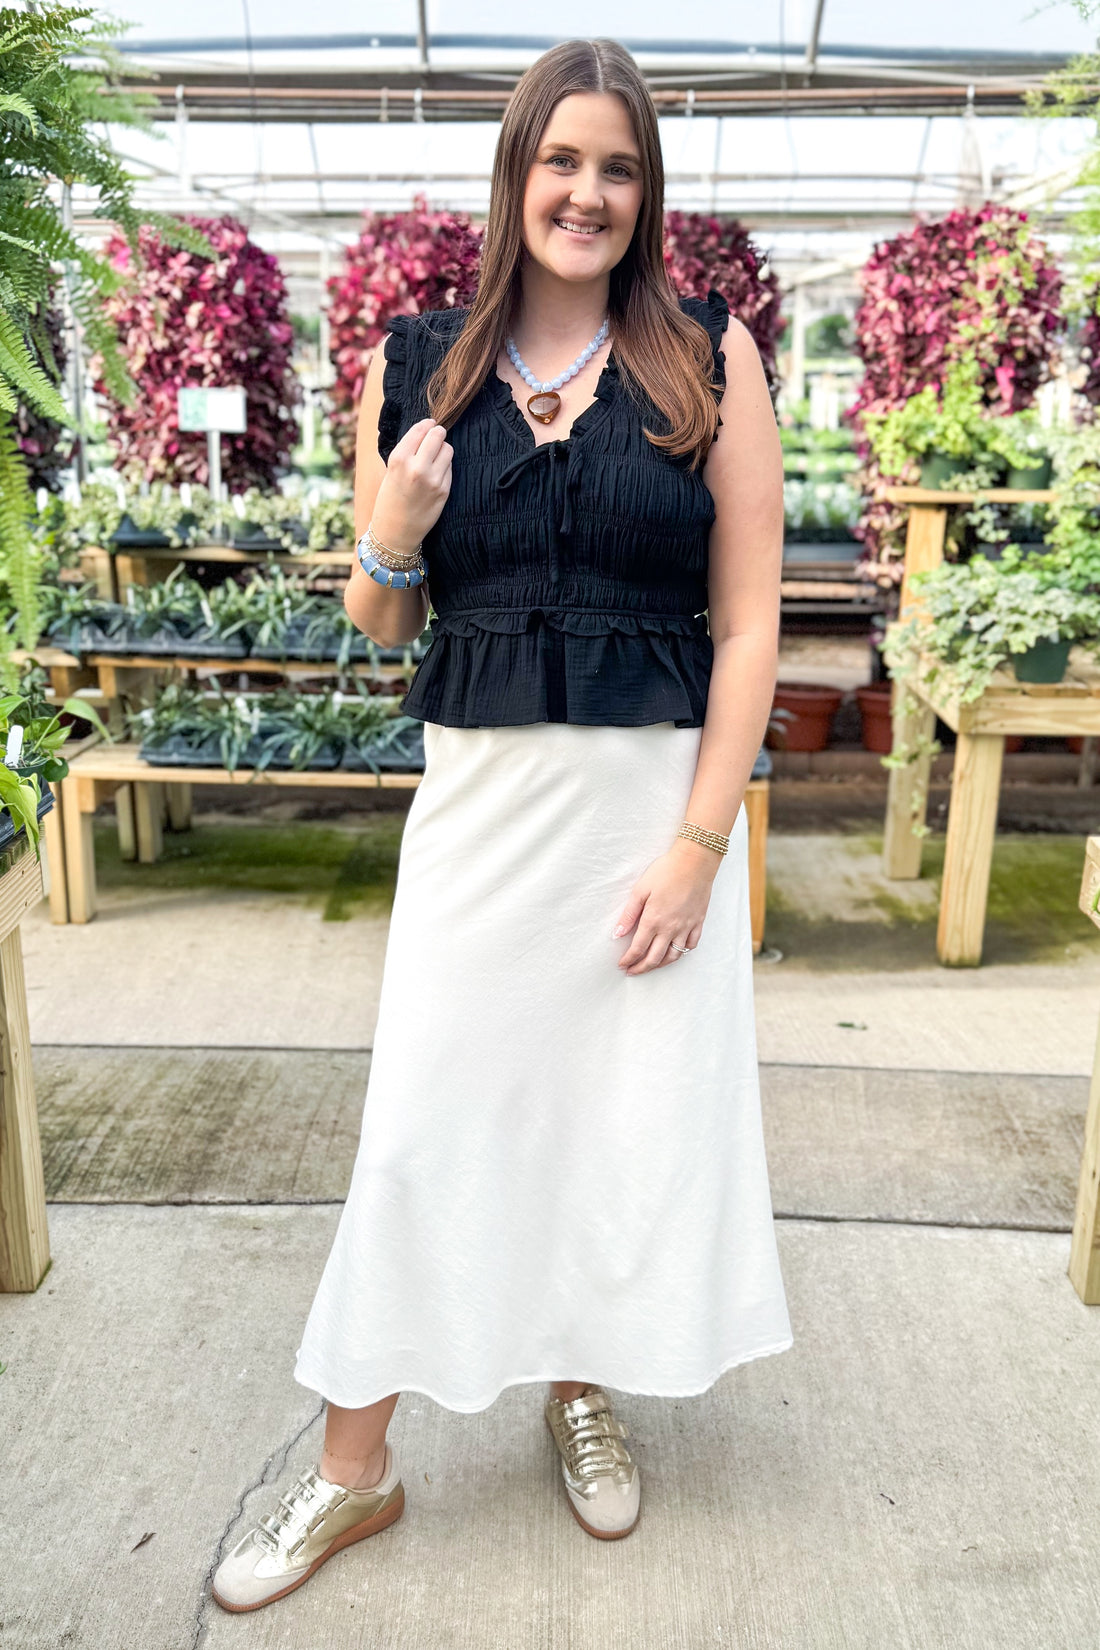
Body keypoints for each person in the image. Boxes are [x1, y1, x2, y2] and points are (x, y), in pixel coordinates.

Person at [212, 35, 792, 1614]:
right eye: (562, 161)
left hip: (649, 814)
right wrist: (391, 534)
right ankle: (354, 1467)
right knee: (425, 1125)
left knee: (616, 1123)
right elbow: (381, 620)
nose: (587, 193)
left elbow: (751, 623)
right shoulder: (418, 363)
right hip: (482, 812)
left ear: (646, 192)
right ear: (516, 174)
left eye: (619, 168)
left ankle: (579, 1385)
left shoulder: (710, 358)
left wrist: (700, 847)